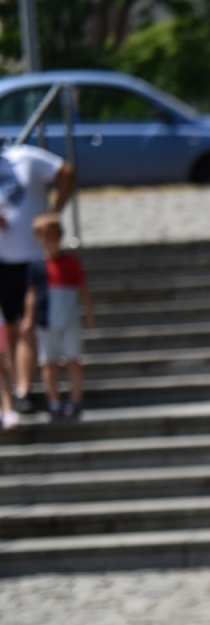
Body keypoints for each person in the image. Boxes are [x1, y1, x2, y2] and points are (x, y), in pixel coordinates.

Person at [0, 142, 75, 428]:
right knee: (9, 329)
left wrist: (54, 214)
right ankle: (12, 394)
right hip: (2, 259)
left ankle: (22, 390)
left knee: (26, 326)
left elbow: (66, 171)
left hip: (30, 259)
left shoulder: (25, 157)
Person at [30, 214, 95, 421]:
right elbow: (31, 296)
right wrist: (28, 319)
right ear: (39, 238)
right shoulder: (36, 267)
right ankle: (54, 401)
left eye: (54, 235)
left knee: (73, 360)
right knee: (49, 362)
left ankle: (75, 400)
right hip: (45, 321)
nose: (50, 240)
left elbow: (83, 289)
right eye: (45, 236)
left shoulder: (71, 262)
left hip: (69, 320)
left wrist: (89, 312)